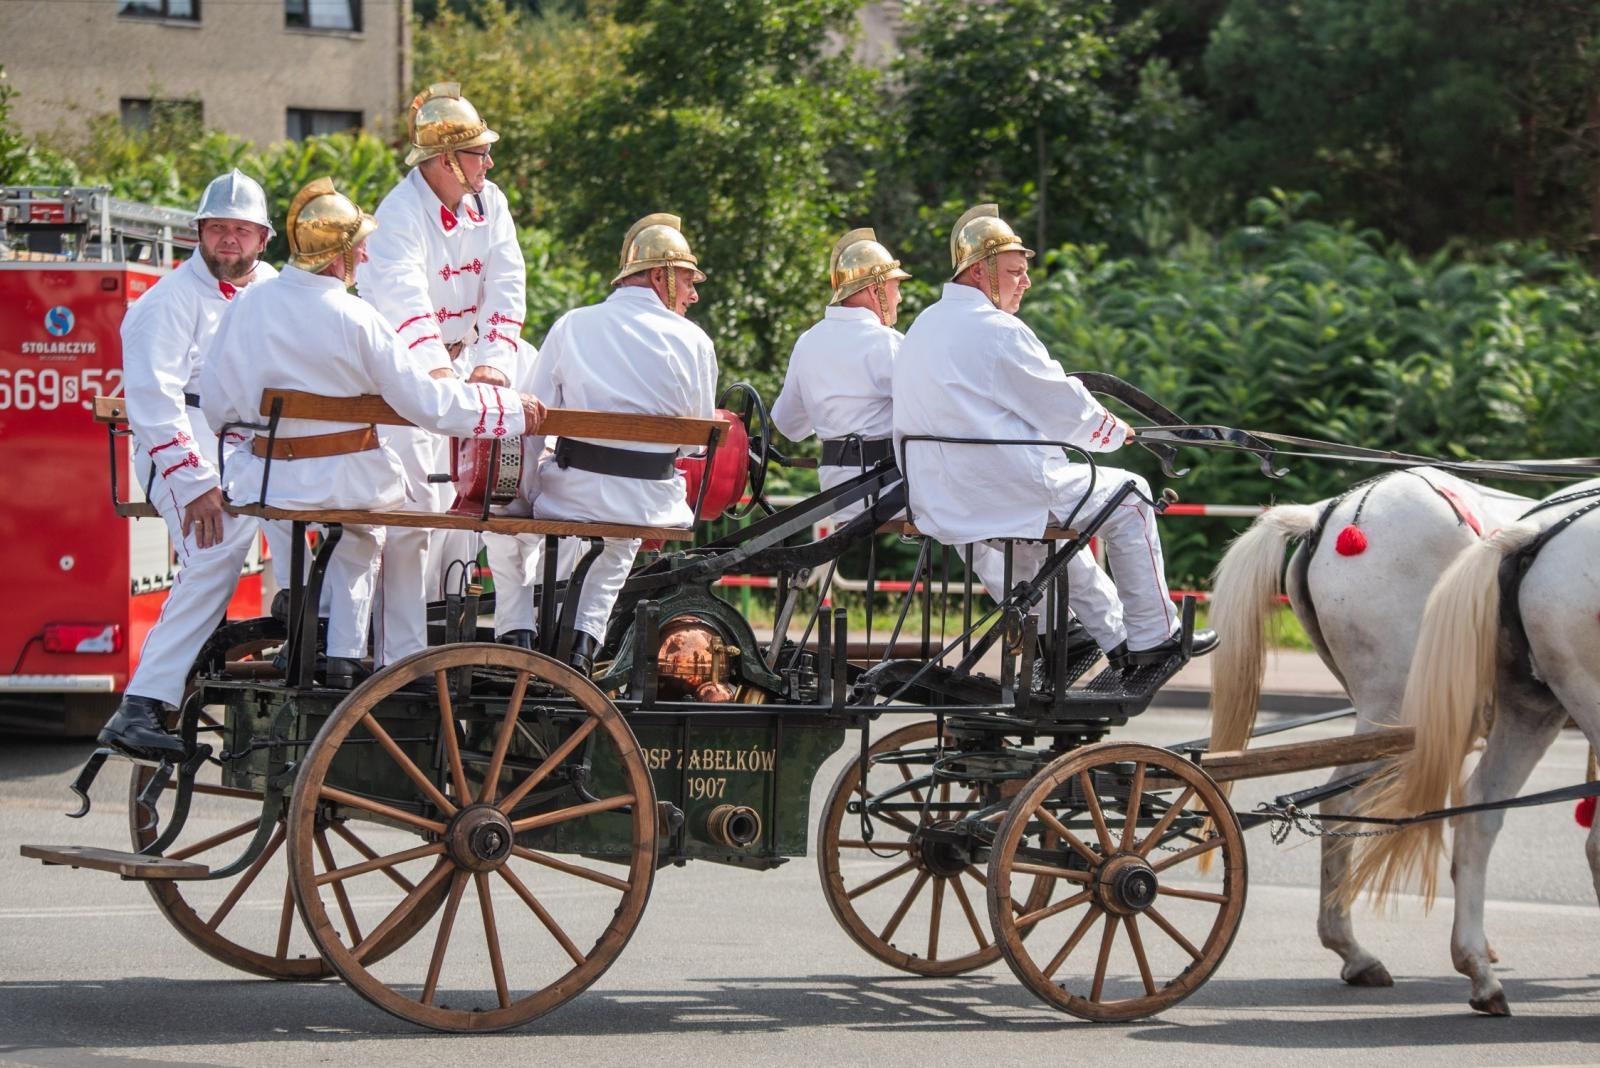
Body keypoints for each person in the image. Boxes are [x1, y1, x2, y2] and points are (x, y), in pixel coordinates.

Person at [203, 177, 545, 693]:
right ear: (339, 254)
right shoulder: (359, 318)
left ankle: (312, 633)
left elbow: (216, 405)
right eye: (359, 245)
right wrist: (506, 411)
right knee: (369, 531)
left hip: (268, 481)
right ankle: (345, 661)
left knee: (341, 532)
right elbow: (429, 405)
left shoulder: (248, 305)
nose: (366, 254)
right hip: (344, 483)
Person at [891, 203, 1216, 667]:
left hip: (942, 495)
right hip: (998, 488)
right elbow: (1062, 406)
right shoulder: (998, 330)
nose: (1025, 281)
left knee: (1046, 538)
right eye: (1015, 271)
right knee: (1132, 495)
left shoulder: (923, 325)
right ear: (982, 271)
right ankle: (1155, 638)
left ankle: (1077, 638)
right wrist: (1113, 431)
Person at [354, 82, 546, 660]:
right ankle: (402, 659)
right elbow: (405, 306)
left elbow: (507, 288)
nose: (489, 162)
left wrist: (492, 365)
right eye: (478, 152)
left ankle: (482, 635)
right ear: (444, 162)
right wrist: (441, 378)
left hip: (470, 359)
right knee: (416, 515)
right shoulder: (398, 215)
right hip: (410, 369)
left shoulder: (492, 203)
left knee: (489, 499)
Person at [98, 170, 281, 760]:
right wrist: (196, 480)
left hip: (255, 447)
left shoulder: (275, 289)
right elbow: (153, 402)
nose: (229, 240)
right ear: (198, 234)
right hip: (186, 446)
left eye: (241, 230)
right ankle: (142, 704)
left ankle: (318, 647)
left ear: (263, 238)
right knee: (215, 551)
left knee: (321, 527)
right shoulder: (166, 302)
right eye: (218, 228)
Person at [526, 213, 718, 674]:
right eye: (688, 280)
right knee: (618, 544)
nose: (693, 294)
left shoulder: (572, 324)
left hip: (569, 494)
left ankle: (537, 636)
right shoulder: (694, 341)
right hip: (646, 501)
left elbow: (534, 417)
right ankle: (579, 651)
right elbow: (694, 446)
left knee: (574, 540)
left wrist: (529, 490)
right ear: (660, 276)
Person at [772, 227, 908, 522]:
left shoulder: (808, 340)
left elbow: (788, 425)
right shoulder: (889, 343)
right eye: (896, 286)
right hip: (888, 493)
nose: (900, 298)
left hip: (833, 494)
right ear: (876, 290)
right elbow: (929, 415)